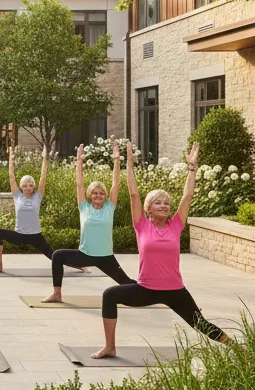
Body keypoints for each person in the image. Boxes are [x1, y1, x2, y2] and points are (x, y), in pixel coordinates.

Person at [92, 141, 228, 358]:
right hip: (146, 289)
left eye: (166, 202)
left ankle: (240, 349)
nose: (164, 205)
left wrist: (192, 169)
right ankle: (110, 346)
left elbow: (187, 197)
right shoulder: (141, 225)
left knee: (200, 323)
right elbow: (133, 194)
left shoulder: (176, 225)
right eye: (158, 203)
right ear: (148, 209)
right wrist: (129, 164)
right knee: (110, 295)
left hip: (175, 290)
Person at [46, 142, 134, 303]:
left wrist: (116, 161)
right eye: (95, 193)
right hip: (85, 255)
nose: (98, 195)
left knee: (128, 283)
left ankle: (153, 294)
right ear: (89, 195)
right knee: (57, 256)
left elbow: (116, 184)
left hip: (106, 257)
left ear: (105, 196)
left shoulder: (109, 206)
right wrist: (79, 162)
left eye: (101, 193)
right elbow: (79, 184)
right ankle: (57, 293)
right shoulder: (84, 207)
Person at [0, 146, 53, 272]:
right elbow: (11, 176)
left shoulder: (37, 196)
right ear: (21, 187)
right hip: (19, 235)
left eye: (30, 185)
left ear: (33, 187)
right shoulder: (17, 196)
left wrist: (45, 158)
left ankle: (80, 266)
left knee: (54, 256)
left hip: (35, 235)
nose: (28, 188)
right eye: (25, 185)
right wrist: (11, 159)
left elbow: (43, 177)